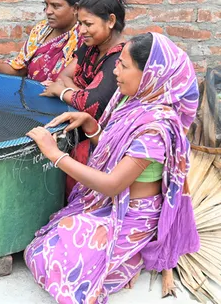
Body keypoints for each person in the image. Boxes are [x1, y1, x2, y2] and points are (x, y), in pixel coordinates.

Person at [24, 32, 200, 303]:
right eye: (118, 62)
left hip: (133, 214)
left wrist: (54, 154)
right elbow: (117, 148)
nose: (115, 70)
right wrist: (92, 125)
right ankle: (126, 256)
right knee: (42, 246)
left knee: (58, 263)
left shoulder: (156, 127)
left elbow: (113, 184)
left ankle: (138, 253)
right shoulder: (133, 103)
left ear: (150, 75)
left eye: (124, 66)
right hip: (111, 204)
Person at [40, 0, 127, 197]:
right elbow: (63, 75)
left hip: (103, 145)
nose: (81, 30)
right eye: (80, 23)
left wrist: (62, 93)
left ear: (111, 21)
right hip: (82, 131)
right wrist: (79, 93)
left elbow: (93, 106)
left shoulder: (120, 57)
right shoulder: (91, 47)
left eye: (88, 24)